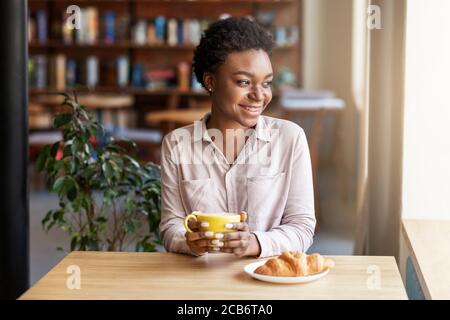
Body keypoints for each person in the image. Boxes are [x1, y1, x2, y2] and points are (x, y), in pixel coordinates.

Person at [159, 17, 315, 258]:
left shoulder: (290, 139)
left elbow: (302, 227)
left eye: (267, 83)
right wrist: (188, 241)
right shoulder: (177, 145)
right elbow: (171, 226)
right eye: (244, 82)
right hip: (201, 281)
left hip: (266, 281)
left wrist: (254, 243)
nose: (259, 95)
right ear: (211, 82)